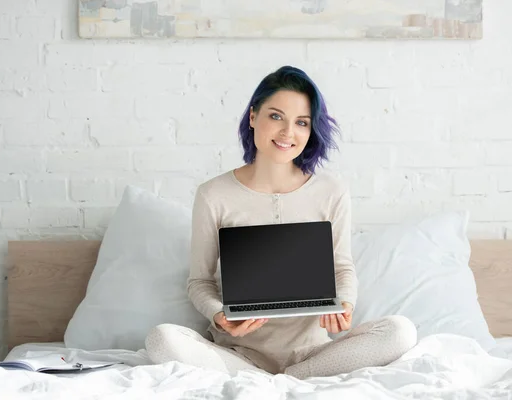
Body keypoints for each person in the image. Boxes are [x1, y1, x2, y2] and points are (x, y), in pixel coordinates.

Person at [145, 66, 417, 379]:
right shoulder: (213, 194)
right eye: (276, 116)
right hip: (236, 354)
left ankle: (291, 378)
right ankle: (276, 379)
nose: (288, 132)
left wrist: (344, 304)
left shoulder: (331, 191)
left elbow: (342, 269)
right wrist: (219, 315)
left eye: (301, 122)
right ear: (252, 117)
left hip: (312, 353)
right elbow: (200, 282)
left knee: (400, 331)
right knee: (161, 339)